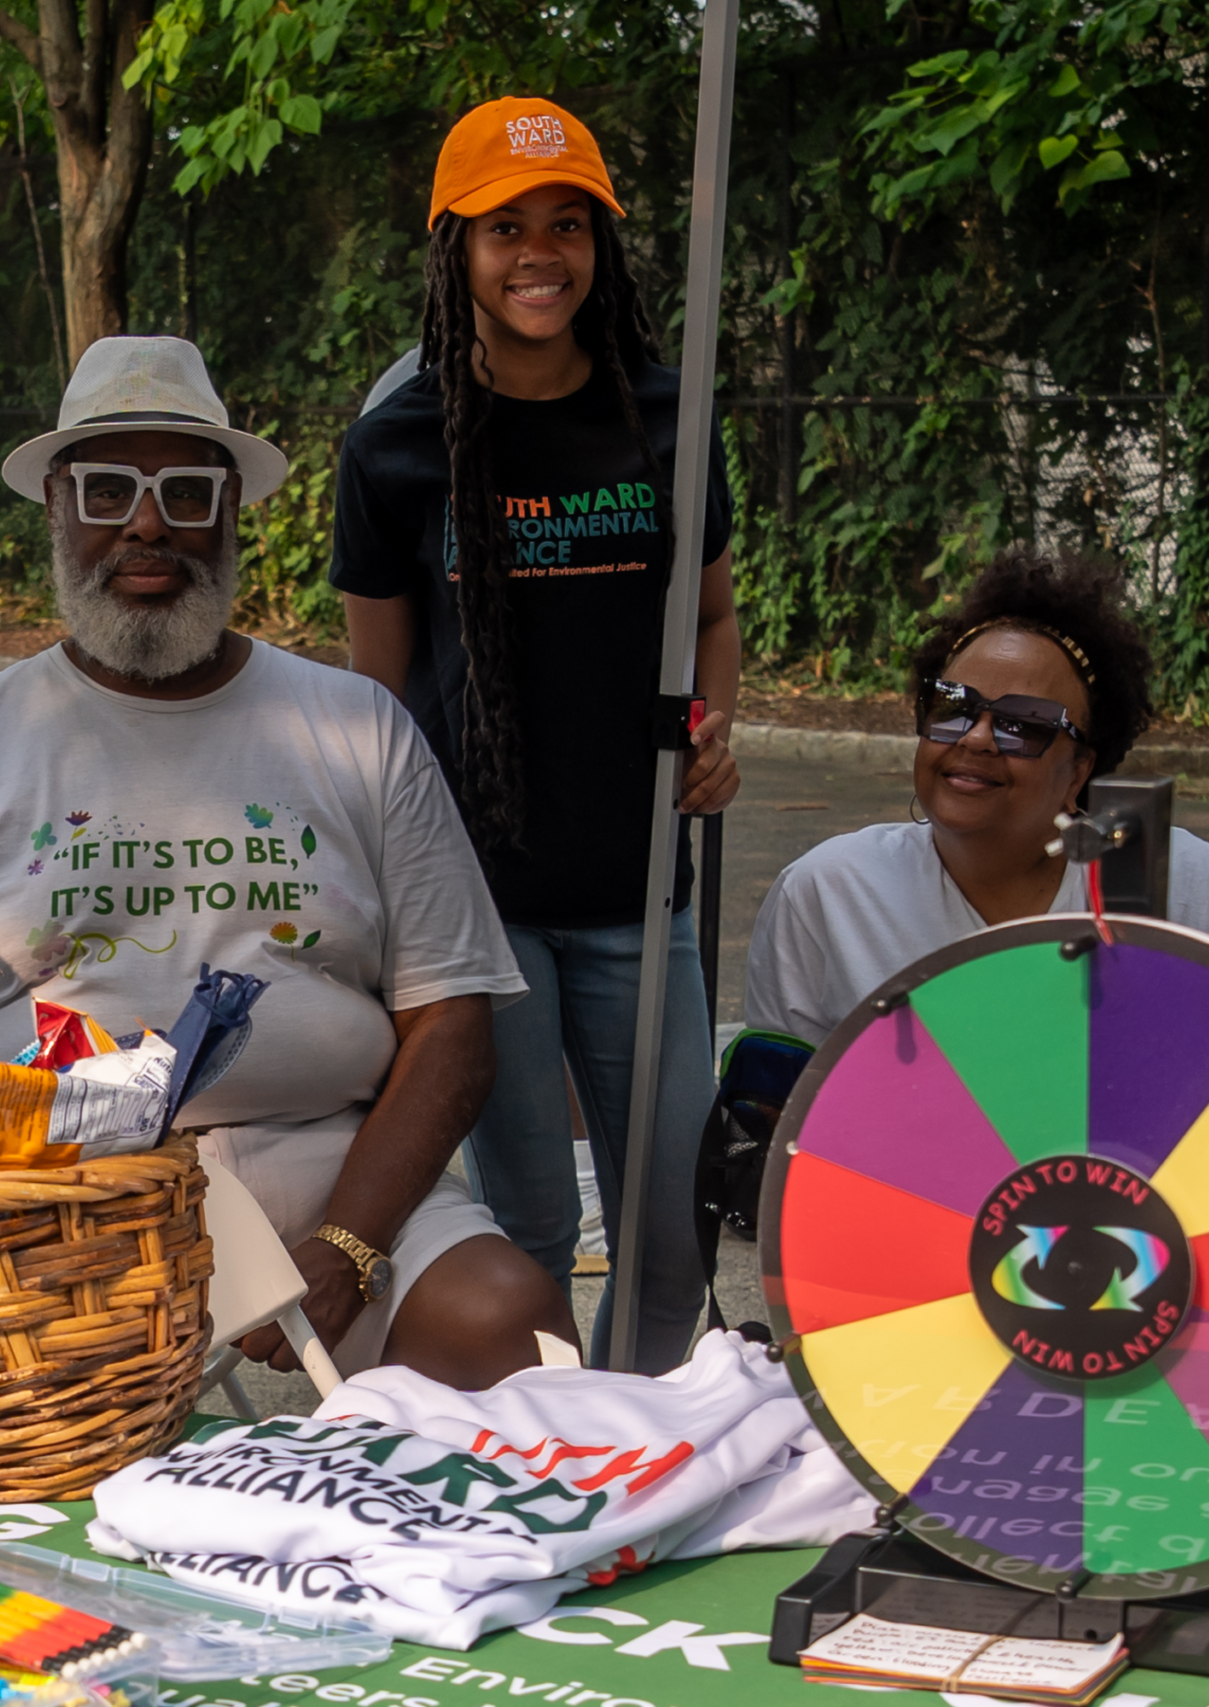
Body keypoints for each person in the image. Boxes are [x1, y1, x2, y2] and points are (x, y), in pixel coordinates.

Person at [0, 336, 569, 1389]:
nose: (146, 523)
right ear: (53, 504)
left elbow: (450, 1018)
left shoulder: (356, 728)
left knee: (516, 1331)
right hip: (54, 1186)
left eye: (182, 489)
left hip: (327, 1165)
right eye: (106, 489)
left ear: (228, 509)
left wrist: (353, 1246)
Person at [330, 99, 737, 1374]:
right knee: (533, 1230)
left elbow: (710, 616)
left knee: (671, 1231)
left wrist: (712, 727)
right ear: (455, 247)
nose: (538, 253)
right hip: (480, 913)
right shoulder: (394, 448)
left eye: (567, 224)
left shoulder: (668, 421)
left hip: (640, 891)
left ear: (602, 246)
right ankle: (562, 1457)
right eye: (505, 228)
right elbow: (380, 702)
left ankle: (654, 1435)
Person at [744, 547, 1209, 1044]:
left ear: (1079, 772)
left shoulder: (1191, 893)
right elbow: (778, 1116)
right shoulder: (829, 893)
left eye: (1024, 724)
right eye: (953, 707)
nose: (976, 739)